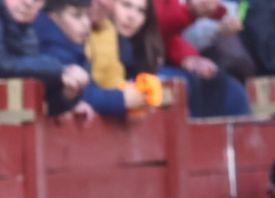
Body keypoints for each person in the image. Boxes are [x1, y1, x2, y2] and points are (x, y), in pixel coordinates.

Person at [97, 0, 248, 117]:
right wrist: (189, 12)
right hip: (117, 93)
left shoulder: (144, 34)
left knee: (232, 91)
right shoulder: (101, 32)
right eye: (126, 5)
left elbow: (163, 38)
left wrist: (188, 56)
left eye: (140, 11)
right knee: (177, 83)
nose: (131, 16)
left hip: (144, 73)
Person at [0, 0, 89, 114]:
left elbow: (26, 97)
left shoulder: (25, 29)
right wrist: (59, 70)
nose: (28, 3)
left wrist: (65, 94)